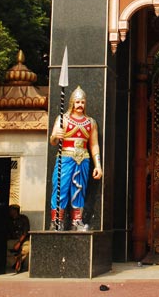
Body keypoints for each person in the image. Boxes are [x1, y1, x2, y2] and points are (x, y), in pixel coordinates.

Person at [50, 85, 103, 230]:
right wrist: (56, 136)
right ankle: (56, 221)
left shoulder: (90, 122)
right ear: (72, 102)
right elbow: (53, 141)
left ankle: (76, 221)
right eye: (78, 102)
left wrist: (98, 165)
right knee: (61, 187)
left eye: (83, 102)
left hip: (83, 159)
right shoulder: (62, 119)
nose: (80, 105)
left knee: (79, 190)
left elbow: (94, 145)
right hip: (65, 157)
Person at [7, 204, 31, 273]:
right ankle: (15, 262)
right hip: (12, 240)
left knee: (27, 248)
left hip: (23, 240)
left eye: (11, 210)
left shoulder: (24, 219)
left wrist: (19, 243)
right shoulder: (8, 220)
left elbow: (25, 232)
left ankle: (20, 258)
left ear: (15, 211)